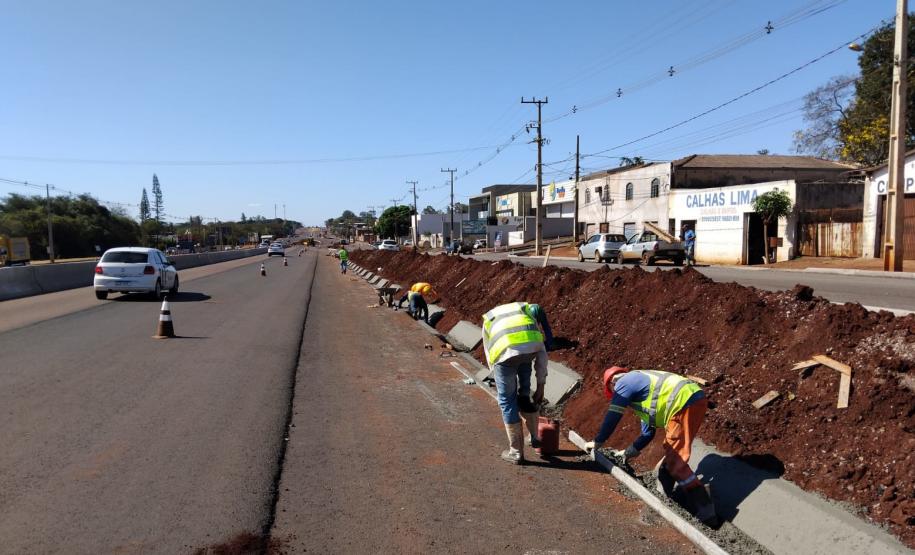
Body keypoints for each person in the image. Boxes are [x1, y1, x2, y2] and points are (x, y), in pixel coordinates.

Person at [585, 367, 717, 526]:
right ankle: (667, 500)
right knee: (667, 462)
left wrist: (598, 441)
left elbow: (614, 414)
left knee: (675, 462)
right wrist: (627, 453)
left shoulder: (625, 382)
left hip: (684, 402)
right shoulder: (643, 392)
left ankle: (705, 511)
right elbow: (647, 434)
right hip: (691, 400)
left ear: (612, 384)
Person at [482, 302, 553, 464]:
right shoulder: (526, 312)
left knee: (507, 401)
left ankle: (515, 452)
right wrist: (541, 385)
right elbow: (542, 354)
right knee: (524, 393)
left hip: (504, 353)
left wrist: (497, 373)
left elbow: (489, 350)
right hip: (529, 350)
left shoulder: (490, 317)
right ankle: (534, 436)